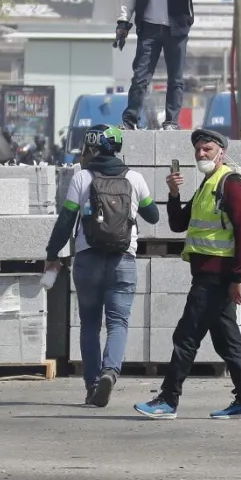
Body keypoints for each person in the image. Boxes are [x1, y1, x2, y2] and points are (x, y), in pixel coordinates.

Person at [134, 129, 241, 420]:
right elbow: (179, 224)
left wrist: (238, 277)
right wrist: (174, 194)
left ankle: (168, 400)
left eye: (207, 149)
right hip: (208, 274)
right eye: (198, 149)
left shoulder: (231, 183)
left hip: (216, 277)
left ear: (221, 151)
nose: (201, 154)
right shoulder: (208, 184)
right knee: (227, 341)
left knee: (186, 336)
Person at [44, 125, 160, 406]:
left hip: (88, 259)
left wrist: (51, 254)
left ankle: (92, 384)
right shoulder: (135, 178)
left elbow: (65, 221)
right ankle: (110, 371)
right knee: (118, 322)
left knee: (90, 324)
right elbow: (153, 215)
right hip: (123, 261)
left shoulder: (81, 178)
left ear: (93, 149)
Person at [116, 0, 207, 131]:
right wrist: (122, 22)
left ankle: (171, 121)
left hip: (177, 30)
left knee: (175, 78)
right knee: (140, 76)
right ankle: (130, 119)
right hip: (149, 28)